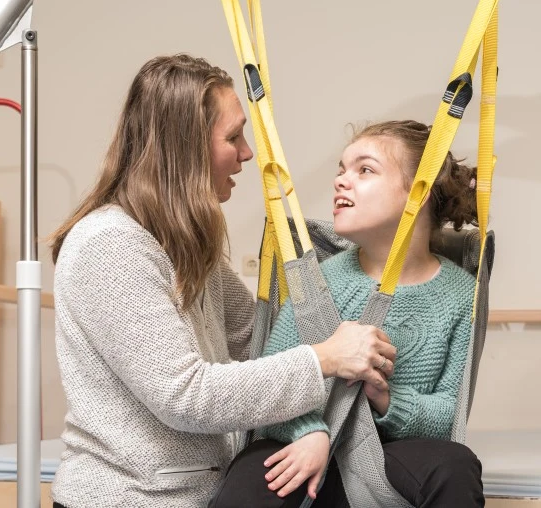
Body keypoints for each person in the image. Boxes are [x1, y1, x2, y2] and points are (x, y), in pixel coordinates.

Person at [47, 54, 397, 508]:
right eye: (233, 137)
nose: (247, 153)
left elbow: (261, 339)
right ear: (185, 148)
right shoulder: (110, 245)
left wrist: (372, 257)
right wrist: (326, 358)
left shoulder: (186, 246)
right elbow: (186, 396)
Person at [210, 120, 485, 507]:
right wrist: (309, 432)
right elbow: (270, 384)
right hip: (308, 450)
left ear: (419, 192)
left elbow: (448, 413)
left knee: (455, 465)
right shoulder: (316, 280)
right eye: (341, 170)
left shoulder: (461, 295)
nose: (341, 181)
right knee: (253, 475)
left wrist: (387, 398)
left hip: (390, 461)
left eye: (365, 170)